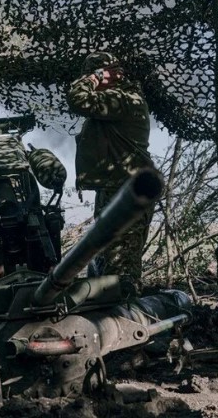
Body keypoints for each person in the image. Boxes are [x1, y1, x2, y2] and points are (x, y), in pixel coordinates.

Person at [66, 52, 155, 294]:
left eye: (95, 75)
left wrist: (96, 77)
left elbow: (78, 99)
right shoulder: (116, 101)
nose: (91, 81)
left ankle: (126, 313)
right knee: (107, 265)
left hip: (127, 194)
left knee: (120, 272)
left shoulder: (123, 100)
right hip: (117, 190)